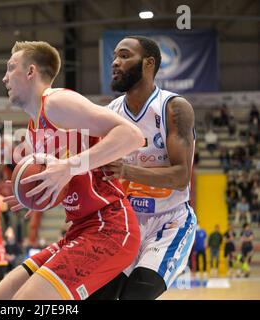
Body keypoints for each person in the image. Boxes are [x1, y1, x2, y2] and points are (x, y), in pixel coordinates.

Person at [0, 41, 144, 300]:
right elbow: (66, 181)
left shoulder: (58, 102)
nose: (4, 77)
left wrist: (70, 166)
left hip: (110, 227)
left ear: (31, 72)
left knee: (26, 303)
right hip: (79, 229)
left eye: (10, 68)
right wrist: (35, 192)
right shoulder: (33, 129)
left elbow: (132, 135)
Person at [90, 36, 197, 300]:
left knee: (134, 296)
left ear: (148, 64)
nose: (115, 62)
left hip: (168, 222)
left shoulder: (174, 108)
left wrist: (128, 172)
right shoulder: (110, 113)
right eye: (114, 56)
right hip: (125, 223)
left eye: (124, 56)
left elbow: (181, 177)